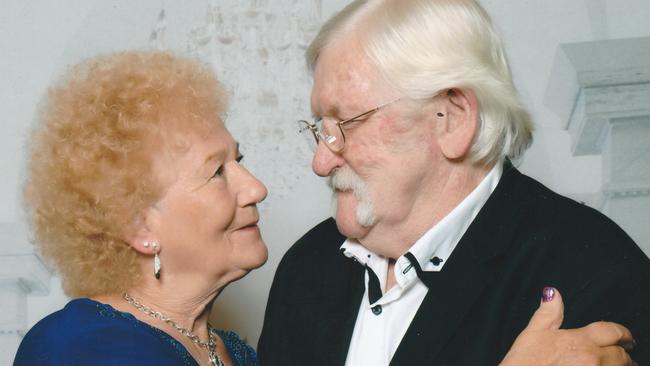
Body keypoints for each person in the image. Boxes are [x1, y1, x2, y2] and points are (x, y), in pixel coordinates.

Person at [257, 0, 650, 365]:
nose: (321, 162)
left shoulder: (592, 270)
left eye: (346, 125)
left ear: (453, 118)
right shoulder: (307, 267)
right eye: (320, 129)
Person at [14, 51, 265, 365]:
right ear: (140, 227)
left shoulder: (236, 353)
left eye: (238, 161)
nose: (256, 189)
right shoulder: (82, 348)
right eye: (217, 172)